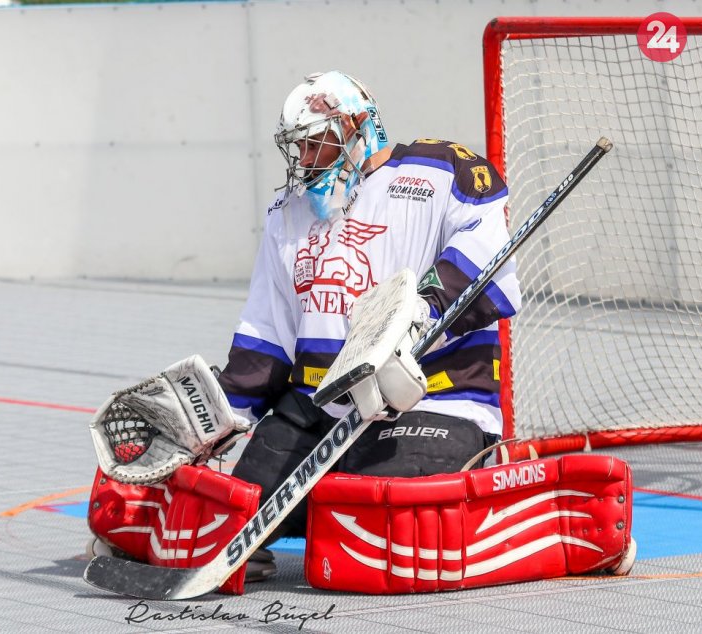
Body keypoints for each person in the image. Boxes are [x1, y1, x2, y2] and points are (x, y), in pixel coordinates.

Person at [216, 71, 521, 580]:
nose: (306, 160)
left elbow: (494, 272)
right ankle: (300, 519)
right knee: (230, 510)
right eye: (299, 148)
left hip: (432, 403)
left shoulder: (440, 172)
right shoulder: (288, 213)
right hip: (322, 412)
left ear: (360, 128)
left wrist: (422, 311)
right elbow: (267, 338)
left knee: (380, 527)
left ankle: (475, 503)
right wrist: (216, 420)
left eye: (317, 143)